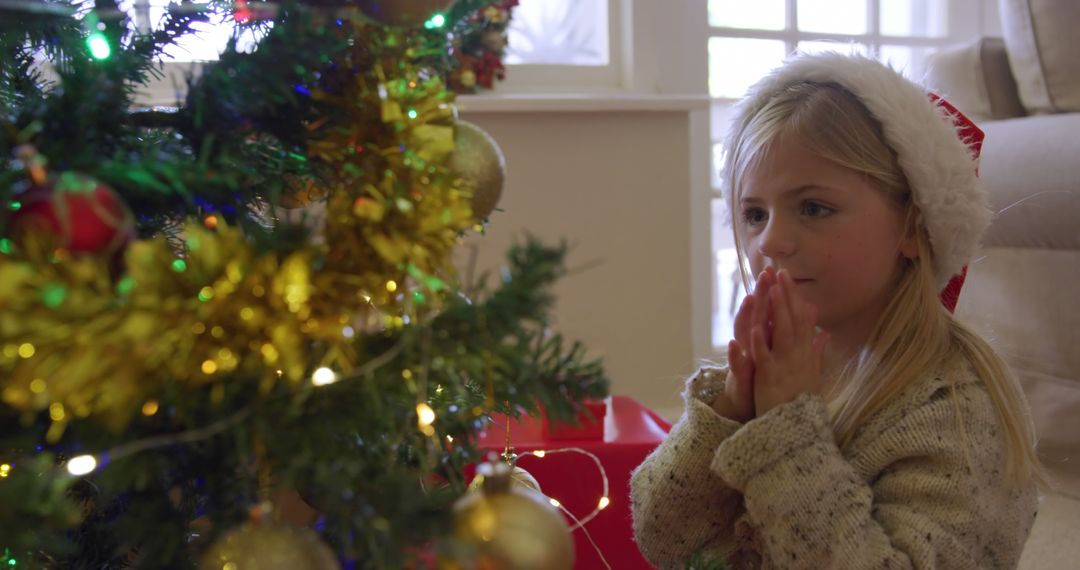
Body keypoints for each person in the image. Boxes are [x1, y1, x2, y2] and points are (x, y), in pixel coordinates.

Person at [630, 52, 1041, 569]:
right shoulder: (776, 373)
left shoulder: (955, 413)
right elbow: (664, 538)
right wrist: (732, 409)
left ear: (915, 226)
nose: (771, 240)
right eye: (754, 214)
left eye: (814, 208)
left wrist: (783, 433)